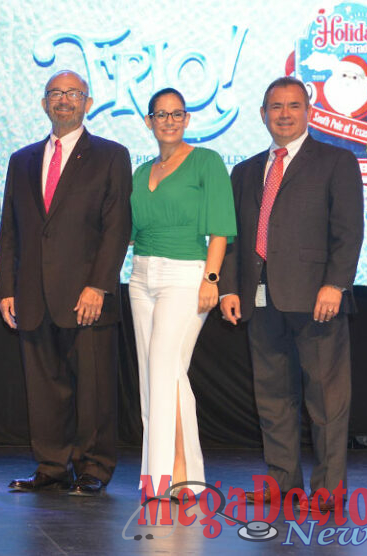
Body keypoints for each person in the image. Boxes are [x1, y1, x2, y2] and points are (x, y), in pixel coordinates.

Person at [219, 77, 363, 514]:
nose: (284, 114)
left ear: (309, 112)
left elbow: (348, 230)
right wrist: (228, 288)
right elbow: (235, 236)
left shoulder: (336, 161)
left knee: (326, 401)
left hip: (317, 299)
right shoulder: (244, 171)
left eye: (293, 106)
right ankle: (282, 481)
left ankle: (328, 488)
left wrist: (335, 284)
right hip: (259, 298)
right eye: (275, 107)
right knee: (273, 398)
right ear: (263, 115)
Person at [0, 70, 131, 496]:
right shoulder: (22, 160)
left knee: (93, 390)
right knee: (43, 389)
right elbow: (11, 230)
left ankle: (94, 467)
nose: (63, 100)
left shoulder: (111, 155)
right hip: (33, 296)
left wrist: (100, 285)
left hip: (87, 295)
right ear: (43, 103)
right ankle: (52, 466)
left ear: (87, 102)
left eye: (72, 93)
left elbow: (117, 227)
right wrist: (6, 289)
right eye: (55, 93)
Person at [129, 88, 237, 499]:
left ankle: (163, 479)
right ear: (148, 122)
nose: (169, 121)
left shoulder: (207, 162)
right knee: (155, 376)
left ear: (187, 119)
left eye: (177, 114)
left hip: (186, 276)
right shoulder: (141, 173)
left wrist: (211, 279)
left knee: (164, 368)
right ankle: (180, 473)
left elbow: (222, 228)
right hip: (141, 276)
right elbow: (132, 231)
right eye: (161, 114)